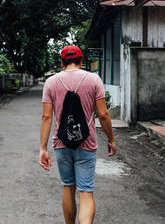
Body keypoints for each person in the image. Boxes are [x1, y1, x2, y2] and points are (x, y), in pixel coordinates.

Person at [39, 45, 117, 224]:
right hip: (87, 143)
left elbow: (46, 117)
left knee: (68, 188)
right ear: (81, 62)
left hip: (61, 143)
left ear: (62, 62)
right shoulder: (94, 79)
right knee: (86, 192)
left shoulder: (51, 82)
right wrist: (111, 140)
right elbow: (103, 114)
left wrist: (43, 148)